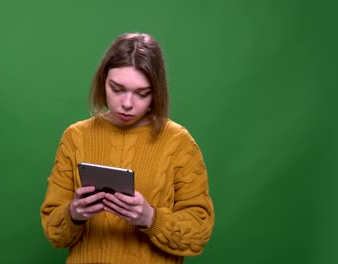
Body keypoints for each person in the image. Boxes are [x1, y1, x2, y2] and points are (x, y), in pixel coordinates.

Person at [40, 32, 215, 264]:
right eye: (117, 88)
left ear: (156, 93)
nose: (127, 104)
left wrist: (150, 218)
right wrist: (74, 214)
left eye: (142, 93)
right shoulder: (75, 137)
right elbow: (54, 233)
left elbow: (198, 234)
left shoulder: (179, 142)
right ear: (103, 81)